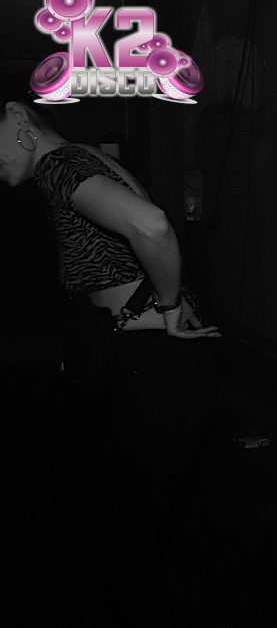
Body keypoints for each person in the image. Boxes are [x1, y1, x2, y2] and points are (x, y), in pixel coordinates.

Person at [1, 91, 220, 626]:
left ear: (17, 116)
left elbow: (153, 225)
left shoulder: (58, 164)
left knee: (129, 534)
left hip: (151, 361)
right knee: (145, 528)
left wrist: (169, 307)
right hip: (158, 359)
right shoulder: (83, 157)